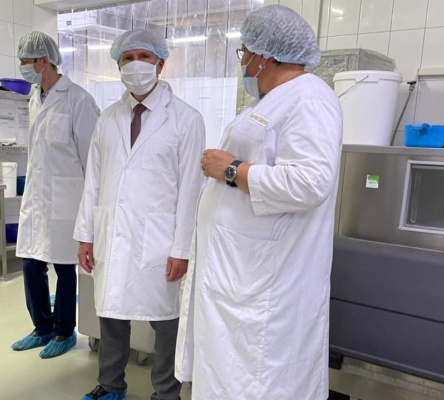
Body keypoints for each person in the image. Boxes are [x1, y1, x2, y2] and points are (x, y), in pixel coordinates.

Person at [174, 5, 343, 399]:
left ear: (265, 56)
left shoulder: (310, 99)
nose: (243, 62)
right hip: (242, 273)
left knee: (260, 381)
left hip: (267, 282)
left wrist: (232, 169)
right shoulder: (272, 100)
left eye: (245, 51)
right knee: (231, 375)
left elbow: (310, 182)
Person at [74, 29, 206, 400]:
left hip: (161, 238)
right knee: (111, 311)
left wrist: (182, 249)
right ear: (118, 66)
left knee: (166, 319)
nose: (136, 65)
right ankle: (111, 384)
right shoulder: (108, 118)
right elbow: (93, 180)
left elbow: (191, 190)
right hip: (113, 232)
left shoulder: (186, 119)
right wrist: (86, 235)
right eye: (127, 58)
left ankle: (166, 392)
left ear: (160, 64)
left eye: (144, 57)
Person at [11, 31, 100, 359]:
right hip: (37, 197)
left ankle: (64, 330)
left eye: (26, 61)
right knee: (31, 263)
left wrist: (92, 208)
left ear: (43, 60)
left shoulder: (78, 100)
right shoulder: (35, 98)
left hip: (67, 199)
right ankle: (42, 326)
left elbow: (94, 158)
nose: (23, 67)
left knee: (64, 267)